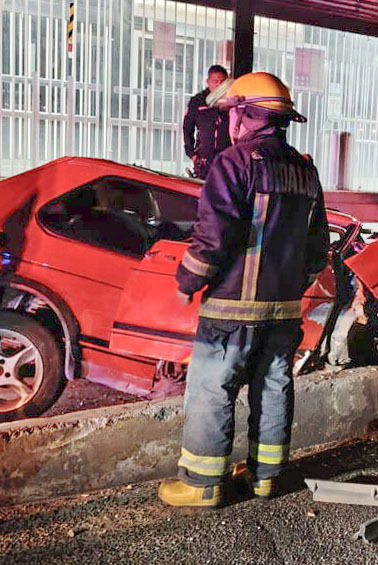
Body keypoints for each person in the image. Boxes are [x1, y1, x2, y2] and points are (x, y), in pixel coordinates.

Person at [159, 72, 328, 507]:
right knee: (273, 387)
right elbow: (317, 250)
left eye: (232, 112)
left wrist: (187, 281)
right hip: (284, 311)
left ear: (246, 115)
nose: (229, 122)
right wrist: (292, 286)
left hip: (232, 311)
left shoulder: (233, 163)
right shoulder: (305, 171)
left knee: (212, 389)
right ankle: (265, 477)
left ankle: (202, 484)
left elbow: (212, 237)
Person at [183, 64, 232, 179]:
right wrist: (192, 154)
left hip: (227, 157)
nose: (219, 85)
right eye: (215, 81)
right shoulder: (198, 101)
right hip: (204, 158)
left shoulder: (232, 102)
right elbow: (187, 128)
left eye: (222, 82)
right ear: (208, 81)